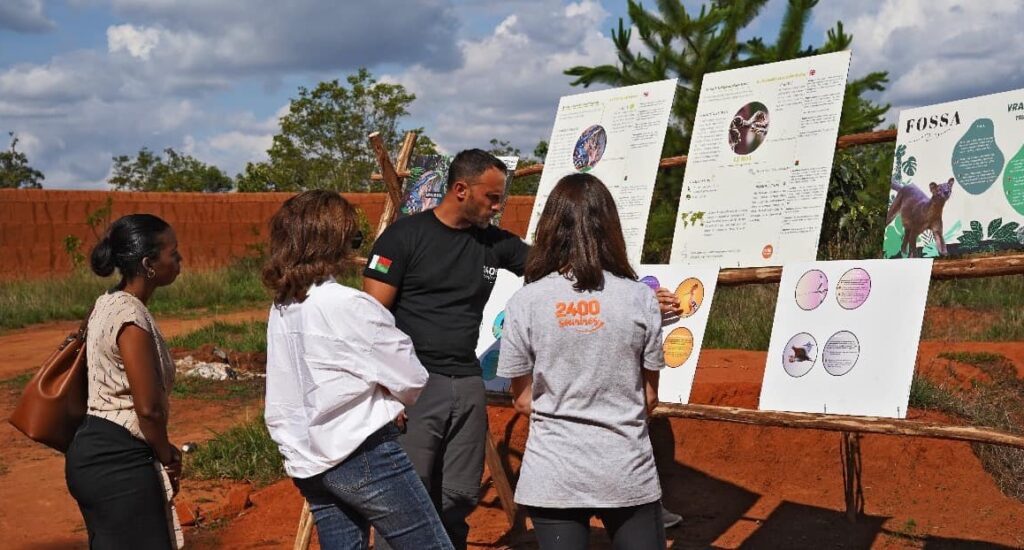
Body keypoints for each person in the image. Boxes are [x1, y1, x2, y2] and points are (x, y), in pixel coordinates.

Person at [262, 191, 453, 550]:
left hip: (307, 457)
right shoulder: (349, 304)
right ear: (335, 241)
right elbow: (411, 377)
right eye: (353, 238)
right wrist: (390, 400)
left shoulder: (284, 304)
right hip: (362, 451)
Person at [363, 149, 529, 549]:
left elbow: (556, 265)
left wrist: (636, 287)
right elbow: (369, 320)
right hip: (414, 383)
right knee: (408, 496)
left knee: (459, 493)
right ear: (460, 190)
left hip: (467, 382)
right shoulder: (404, 237)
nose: (497, 206)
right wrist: (387, 389)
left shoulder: (493, 243)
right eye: (491, 198)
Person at [497, 173, 666, 549]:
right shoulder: (640, 299)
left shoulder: (525, 303)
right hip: (625, 467)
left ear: (550, 228)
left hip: (552, 472)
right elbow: (649, 397)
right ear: (610, 228)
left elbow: (522, 399)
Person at [65, 214, 185, 549]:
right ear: (149, 263)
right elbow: (148, 409)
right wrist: (167, 455)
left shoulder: (105, 302)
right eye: (172, 253)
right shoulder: (130, 318)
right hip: (119, 462)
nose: (179, 260)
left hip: (95, 453)